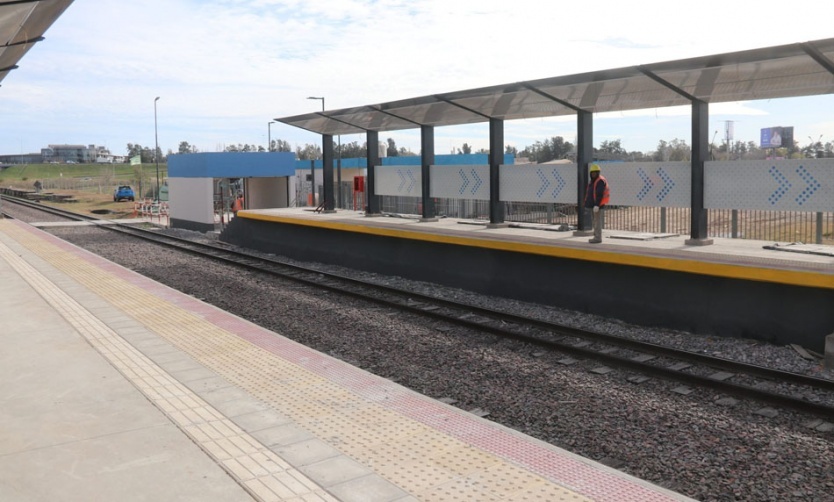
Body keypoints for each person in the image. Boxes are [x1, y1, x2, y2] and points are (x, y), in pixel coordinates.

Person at [584, 163, 610, 243]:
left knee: (597, 222)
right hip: (594, 205)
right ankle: (596, 236)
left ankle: (598, 238)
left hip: (597, 206)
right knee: (595, 221)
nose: (593, 174)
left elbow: (599, 194)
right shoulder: (593, 181)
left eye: (595, 172)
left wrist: (597, 205)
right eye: (592, 173)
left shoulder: (600, 181)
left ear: (598, 173)